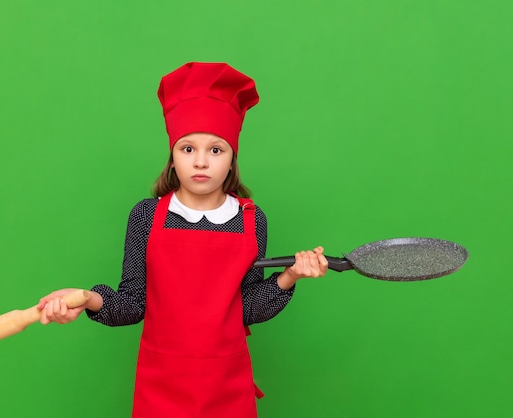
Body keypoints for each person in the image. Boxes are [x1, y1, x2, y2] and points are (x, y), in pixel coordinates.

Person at [36, 62, 328, 418]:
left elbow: (245, 308)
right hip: (161, 387)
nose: (201, 162)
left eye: (215, 150)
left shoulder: (250, 220)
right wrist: (86, 299)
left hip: (227, 385)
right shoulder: (146, 216)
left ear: (232, 159)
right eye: (188, 149)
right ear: (173, 158)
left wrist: (291, 276)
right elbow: (131, 304)